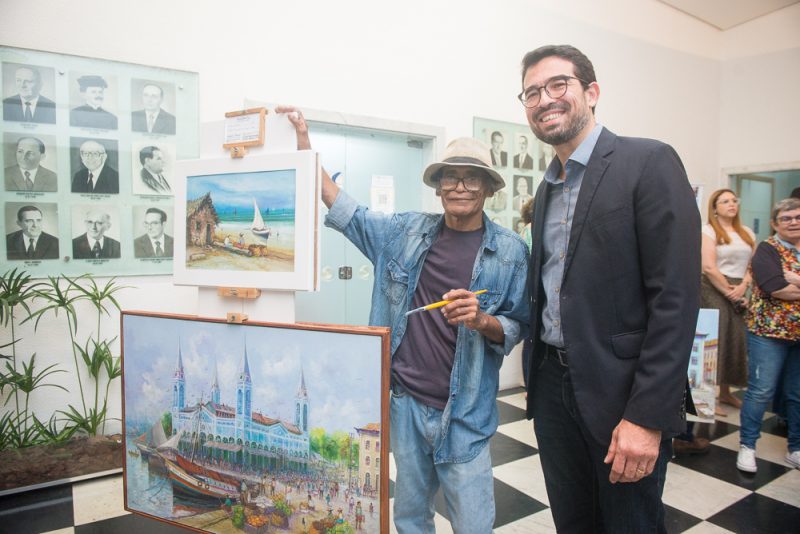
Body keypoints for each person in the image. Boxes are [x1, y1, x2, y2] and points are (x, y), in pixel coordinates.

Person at [280, 106, 529, 533]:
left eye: (472, 177)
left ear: (488, 188)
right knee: (411, 518)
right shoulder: (403, 233)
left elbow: (517, 324)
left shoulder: (510, 252)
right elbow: (345, 209)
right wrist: (305, 144)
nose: (460, 186)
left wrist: (481, 320)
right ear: (438, 187)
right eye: (450, 176)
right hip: (406, 406)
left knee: (474, 525)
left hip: (465, 413)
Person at [521, 45, 700, 532]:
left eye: (558, 84)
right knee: (573, 522)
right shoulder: (546, 189)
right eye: (532, 92)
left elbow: (676, 299)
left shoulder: (648, 161)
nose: (545, 99)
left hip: (623, 392)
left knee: (630, 524)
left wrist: (647, 416)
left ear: (591, 92)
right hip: (553, 390)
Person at [736, 197, 800, 473]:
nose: (794, 222)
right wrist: (786, 282)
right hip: (768, 332)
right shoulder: (767, 249)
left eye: (798, 217)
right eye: (786, 218)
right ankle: (747, 446)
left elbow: (787, 286)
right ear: (774, 223)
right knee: (761, 391)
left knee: (797, 394)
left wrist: (795, 279)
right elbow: (775, 287)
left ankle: (795, 447)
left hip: (798, 335)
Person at [701, 189, 755, 418]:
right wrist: (730, 292)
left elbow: (753, 265)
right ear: (715, 207)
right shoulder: (709, 230)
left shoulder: (746, 232)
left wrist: (744, 285)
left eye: (734, 200)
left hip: (739, 287)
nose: (731, 204)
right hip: (713, 288)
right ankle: (705, 398)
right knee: (715, 342)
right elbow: (709, 267)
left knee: (735, 340)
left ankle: (725, 392)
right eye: (725, 201)